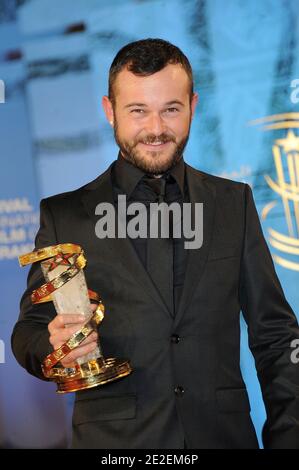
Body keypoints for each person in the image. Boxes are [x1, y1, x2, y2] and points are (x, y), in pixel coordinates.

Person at [12, 38, 299, 449]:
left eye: (171, 109)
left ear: (193, 106)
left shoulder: (232, 204)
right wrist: (53, 347)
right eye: (138, 111)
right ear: (109, 110)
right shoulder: (66, 215)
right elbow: (30, 332)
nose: (156, 128)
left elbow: (276, 335)